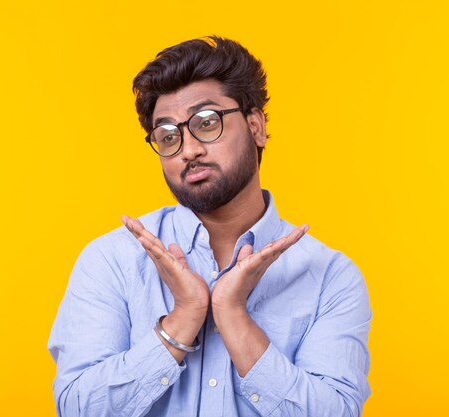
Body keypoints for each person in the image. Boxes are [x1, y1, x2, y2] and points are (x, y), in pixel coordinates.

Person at [48, 36, 371, 417]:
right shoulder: (113, 259)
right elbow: (78, 408)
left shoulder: (329, 276)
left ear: (256, 126)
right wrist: (184, 317)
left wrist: (233, 316)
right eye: (168, 135)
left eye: (206, 123)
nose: (188, 149)